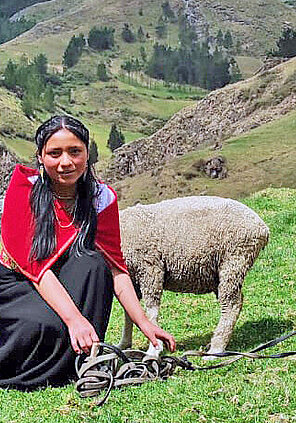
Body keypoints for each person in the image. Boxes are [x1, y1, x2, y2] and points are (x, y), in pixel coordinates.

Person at [0, 115, 176, 390]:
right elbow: (36, 268)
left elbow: (117, 268)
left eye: (75, 152)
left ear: (87, 153)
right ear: (40, 157)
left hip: (60, 276)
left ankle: (80, 358)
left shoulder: (100, 199)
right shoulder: (24, 190)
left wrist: (144, 323)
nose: (65, 162)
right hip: (16, 281)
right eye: (54, 153)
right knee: (43, 325)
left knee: (95, 263)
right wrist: (74, 320)